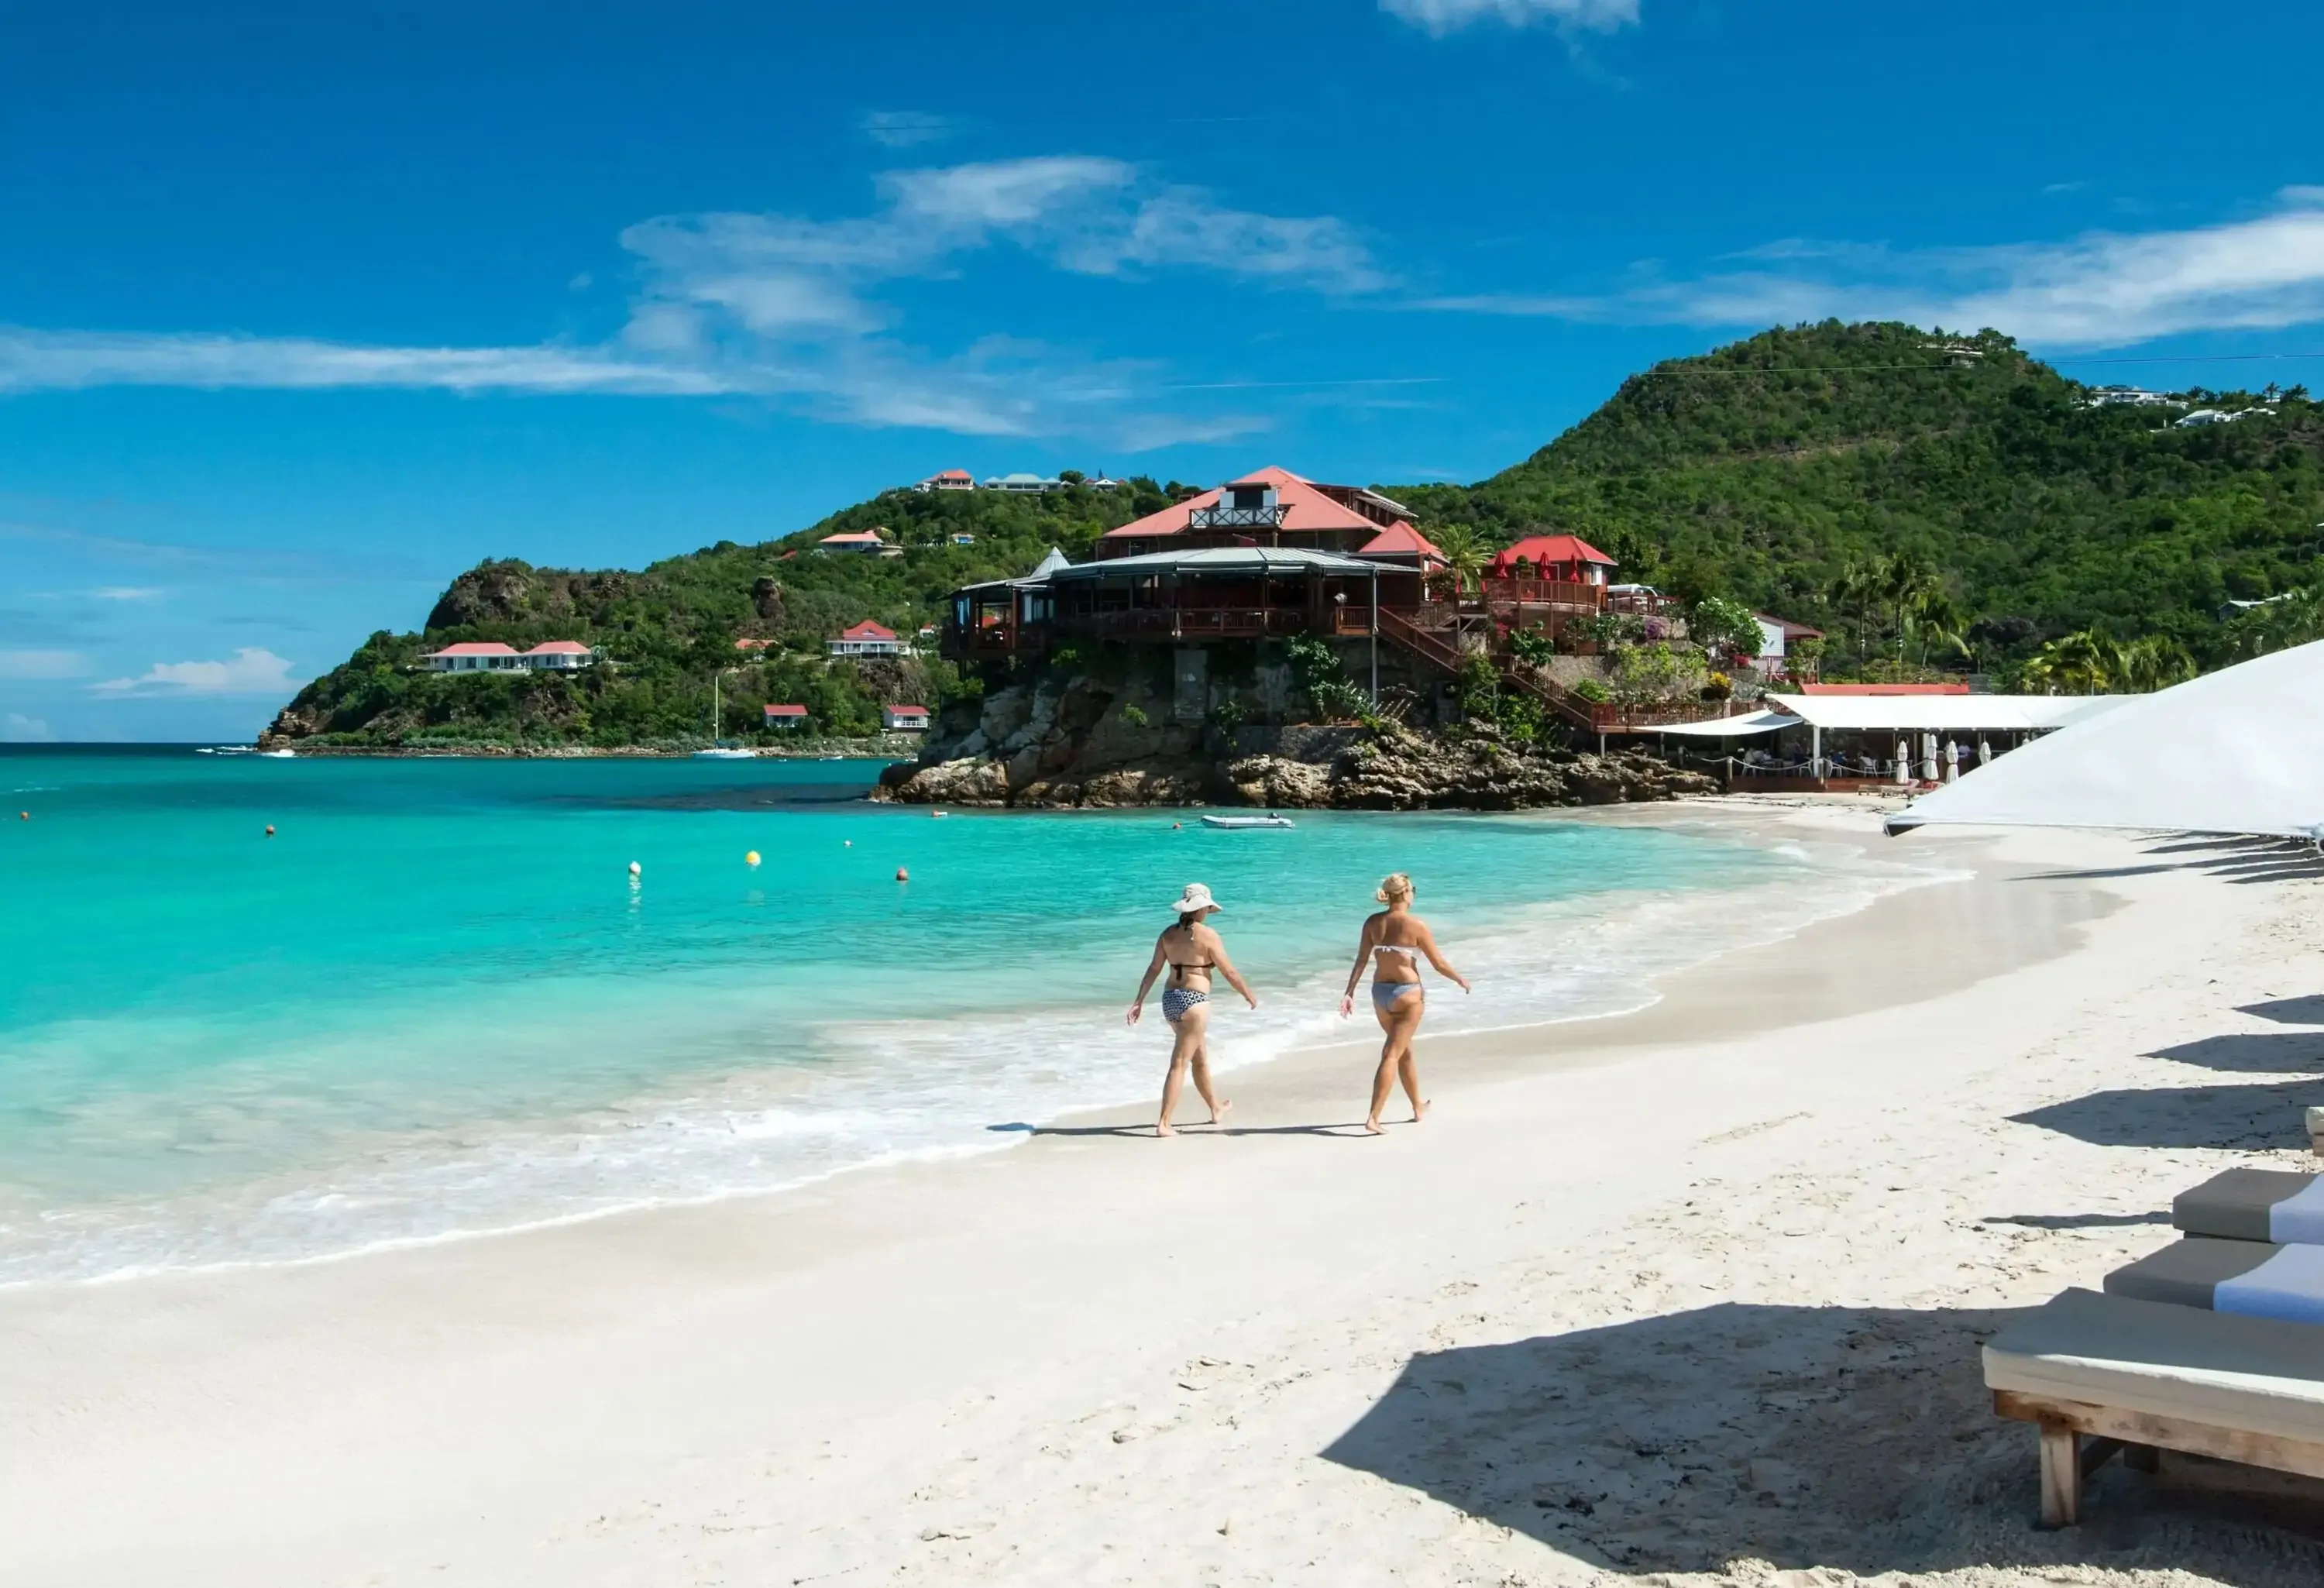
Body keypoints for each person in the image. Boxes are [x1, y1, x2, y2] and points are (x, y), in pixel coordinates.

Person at [1338, 872, 1470, 1134]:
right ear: (1406, 894)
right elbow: (1439, 964)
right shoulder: (1416, 925)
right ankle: (1374, 1118)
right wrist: (1461, 980)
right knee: (1392, 1054)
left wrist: (1349, 992)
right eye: (1413, 890)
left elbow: (1361, 960)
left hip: (1380, 994)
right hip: (1408, 995)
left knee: (1402, 1049)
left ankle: (1417, 1106)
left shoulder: (1373, 923)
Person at [1127, 882, 1257, 1137]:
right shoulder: (1208, 935)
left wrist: (1139, 1000)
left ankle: (1215, 1109)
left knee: (1199, 1059)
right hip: (1195, 1001)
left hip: (1170, 1000)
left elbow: (1154, 968)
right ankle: (1164, 1123)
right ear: (1201, 909)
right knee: (1179, 1063)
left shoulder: (1167, 934)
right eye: (1207, 907)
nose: (1208, 911)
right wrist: (1248, 994)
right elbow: (1229, 971)